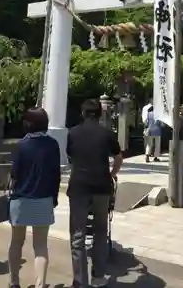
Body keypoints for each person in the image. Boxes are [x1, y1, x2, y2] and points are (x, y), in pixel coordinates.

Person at [67, 99, 123, 288]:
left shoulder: (73, 133)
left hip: (79, 188)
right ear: (100, 114)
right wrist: (112, 174)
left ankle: (79, 281)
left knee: (78, 234)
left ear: (83, 114)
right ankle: (98, 278)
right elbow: (118, 157)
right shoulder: (107, 134)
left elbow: (70, 156)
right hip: (102, 186)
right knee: (100, 232)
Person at [8, 107, 61, 288]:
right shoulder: (53, 144)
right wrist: (54, 198)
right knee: (40, 246)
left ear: (28, 123)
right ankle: (40, 284)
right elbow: (56, 174)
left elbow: (14, 174)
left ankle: (14, 281)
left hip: (21, 199)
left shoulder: (21, 145)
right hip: (44, 198)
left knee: (16, 242)